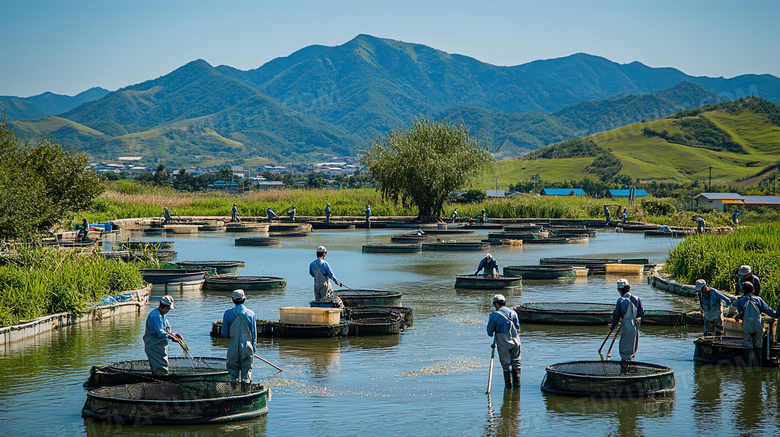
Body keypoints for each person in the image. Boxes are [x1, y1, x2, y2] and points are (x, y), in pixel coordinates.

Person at [734, 282, 777, 365]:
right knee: (758, 344)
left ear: (743, 290)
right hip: (758, 325)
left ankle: (750, 366)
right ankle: (758, 364)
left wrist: (737, 318)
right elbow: (768, 310)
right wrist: (776, 315)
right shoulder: (758, 299)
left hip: (747, 325)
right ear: (753, 290)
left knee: (748, 345)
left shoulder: (742, 300)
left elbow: (740, 313)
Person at [221, 289, 256, 383]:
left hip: (233, 346)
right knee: (247, 375)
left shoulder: (227, 313)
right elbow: (254, 335)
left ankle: (233, 394)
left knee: (232, 374)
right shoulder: (251, 314)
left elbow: (224, 333)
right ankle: (246, 393)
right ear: (244, 299)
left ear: (233, 300)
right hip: (247, 346)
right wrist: (254, 348)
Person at [486, 294, 521, 389]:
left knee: (506, 366)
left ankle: (508, 388)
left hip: (503, 343)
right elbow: (518, 329)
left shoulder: (494, 315)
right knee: (516, 364)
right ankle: (517, 389)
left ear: (496, 304)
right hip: (516, 342)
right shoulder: (513, 313)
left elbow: (489, 332)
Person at [143, 295, 182, 375]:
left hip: (160, 345)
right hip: (154, 345)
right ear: (165, 307)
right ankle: (160, 384)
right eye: (168, 308)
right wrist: (171, 337)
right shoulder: (156, 316)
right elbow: (160, 333)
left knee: (163, 365)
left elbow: (165, 330)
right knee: (160, 368)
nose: (168, 310)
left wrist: (173, 335)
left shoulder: (162, 315)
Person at [610, 279, 645, 361]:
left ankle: (625, 368)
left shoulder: (620, 300)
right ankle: (631, 365)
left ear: (619, 290)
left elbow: (616, 316)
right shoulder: (637, 299)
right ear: (629, 288)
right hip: (635, 327)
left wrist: (612, 326)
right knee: (632, 349)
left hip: (626, 327)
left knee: (624, 350)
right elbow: (642, 314)